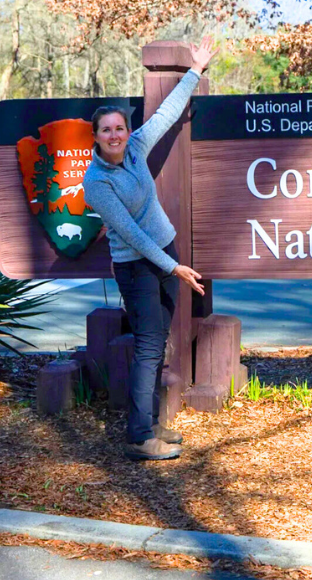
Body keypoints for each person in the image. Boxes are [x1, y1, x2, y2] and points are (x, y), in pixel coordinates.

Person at [83, 34, 217, 461]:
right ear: (96, 136)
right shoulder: (96, 182)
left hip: (164, 255)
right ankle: (140, 436)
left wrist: (194, 71)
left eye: (119, 127)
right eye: (107, 130)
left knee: (156, 345)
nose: (115, 134)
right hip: (137, 267)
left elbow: (165, 115)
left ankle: (152, 422)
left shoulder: (136, 148)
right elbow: (131, 235)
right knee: (147, 346)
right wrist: (173, 268)